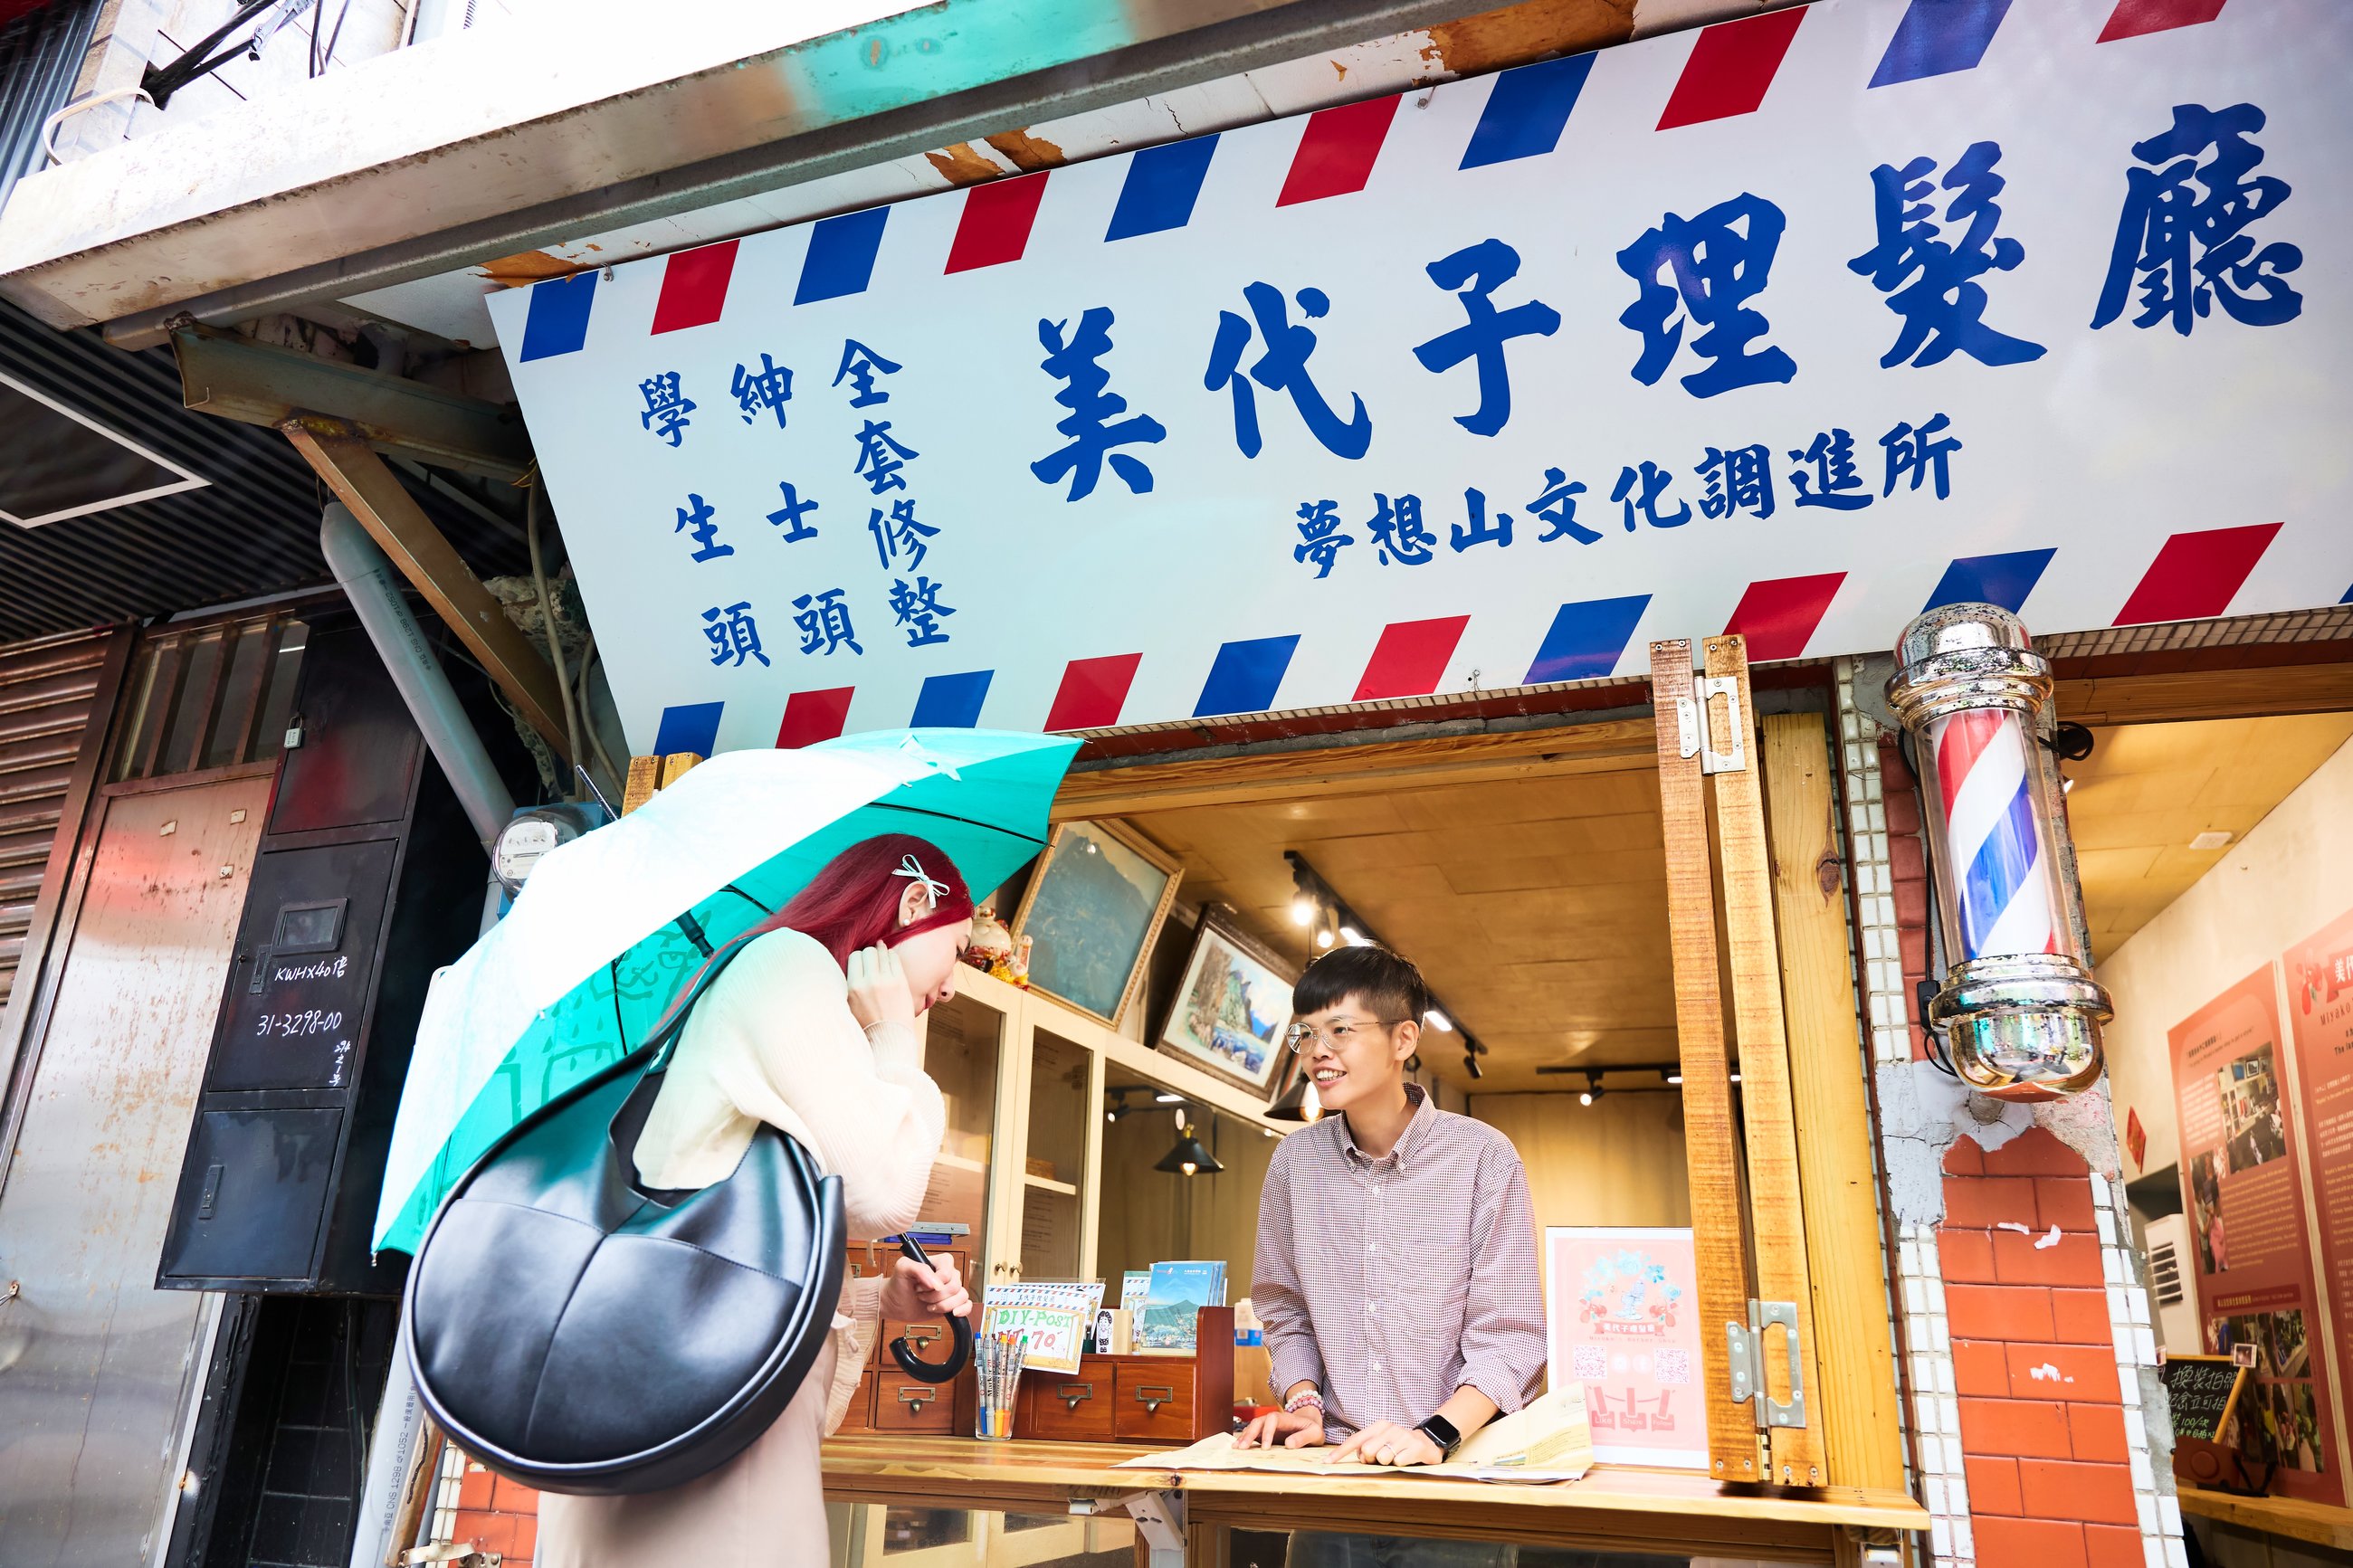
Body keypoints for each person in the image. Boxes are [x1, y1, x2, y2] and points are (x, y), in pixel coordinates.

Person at [538, 833, 978, 1568]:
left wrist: (873, 1300)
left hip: (693, 1387)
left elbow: (739, 1228)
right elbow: (881, 1191)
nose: (955, 983)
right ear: (914, 901)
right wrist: (897, 1036)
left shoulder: (791, 986)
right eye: (958, 949)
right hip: (700, 1404)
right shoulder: (790, 964)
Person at [1236, 944, 1546, 1568]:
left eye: (1340, 1030)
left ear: (1404, 1037)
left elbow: (1510, 1335)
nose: (1318, 1051)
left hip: (1455, 1489)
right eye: (1306, 1033)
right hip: (1334, 1486)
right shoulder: (1295, 1163)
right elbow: (1285, 1310)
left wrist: (1433, 1434)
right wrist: (1303, 1403)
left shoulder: (1484, 1157)